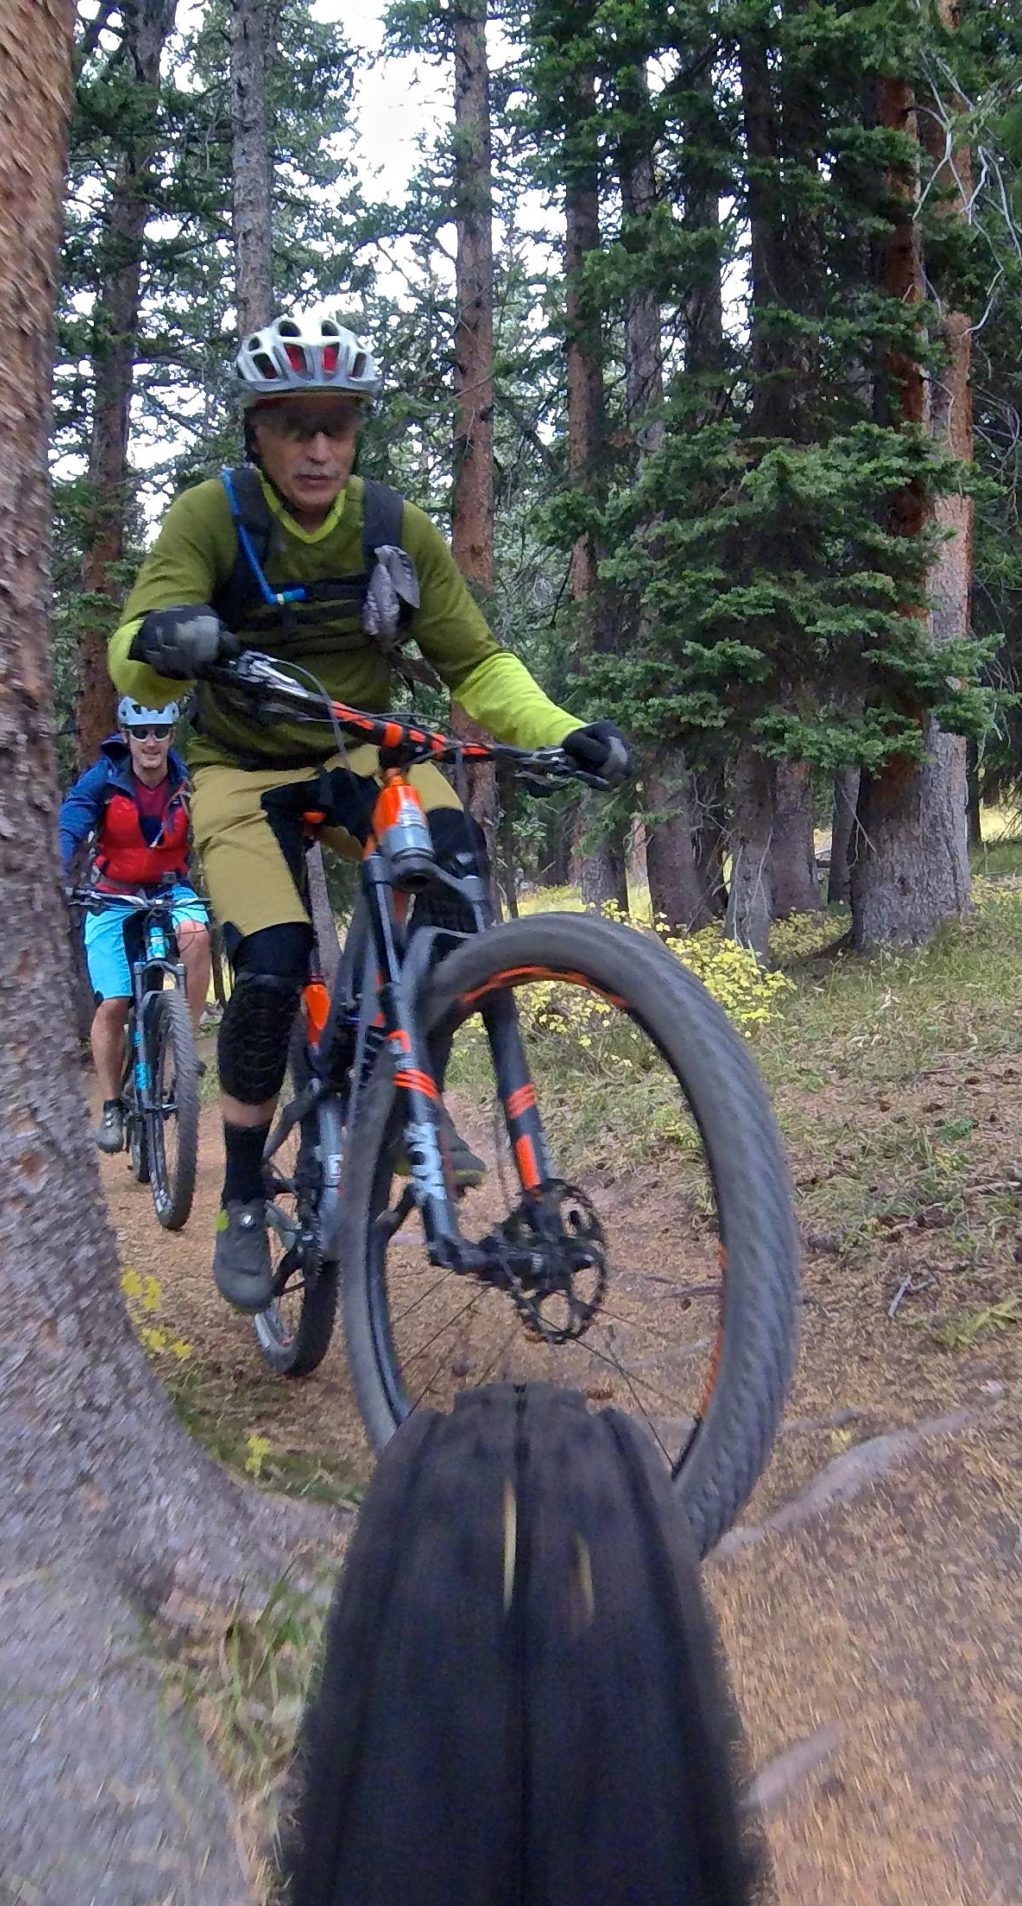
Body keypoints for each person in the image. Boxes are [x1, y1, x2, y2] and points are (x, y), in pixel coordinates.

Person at [107, 313, 632, 1312]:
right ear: (257, 431)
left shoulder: (391, 524)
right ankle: (246, 1195)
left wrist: (562, 729)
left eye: (336, 426)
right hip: (241, 770)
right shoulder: (209, 519)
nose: (316, 447)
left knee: (450, 874)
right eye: (296, 426)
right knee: (267, 965)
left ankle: (401, 1101)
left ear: (355, 433)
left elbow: (474, 661)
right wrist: (167, 637)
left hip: (363, 749)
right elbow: (132, 650)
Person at [57, 695, 214, 1156]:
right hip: (111, 893)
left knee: (197, 936)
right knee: (114, 1004)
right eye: (141, 732)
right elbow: (72, 821)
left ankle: (181, 1050)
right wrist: (58, 864)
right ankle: (111, 1106)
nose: (151, 742)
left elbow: (213, 829)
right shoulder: (103, 780)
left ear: (171, 735)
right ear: (125, 736)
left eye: (161, 731)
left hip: (170, 887)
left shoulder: (187, 782)